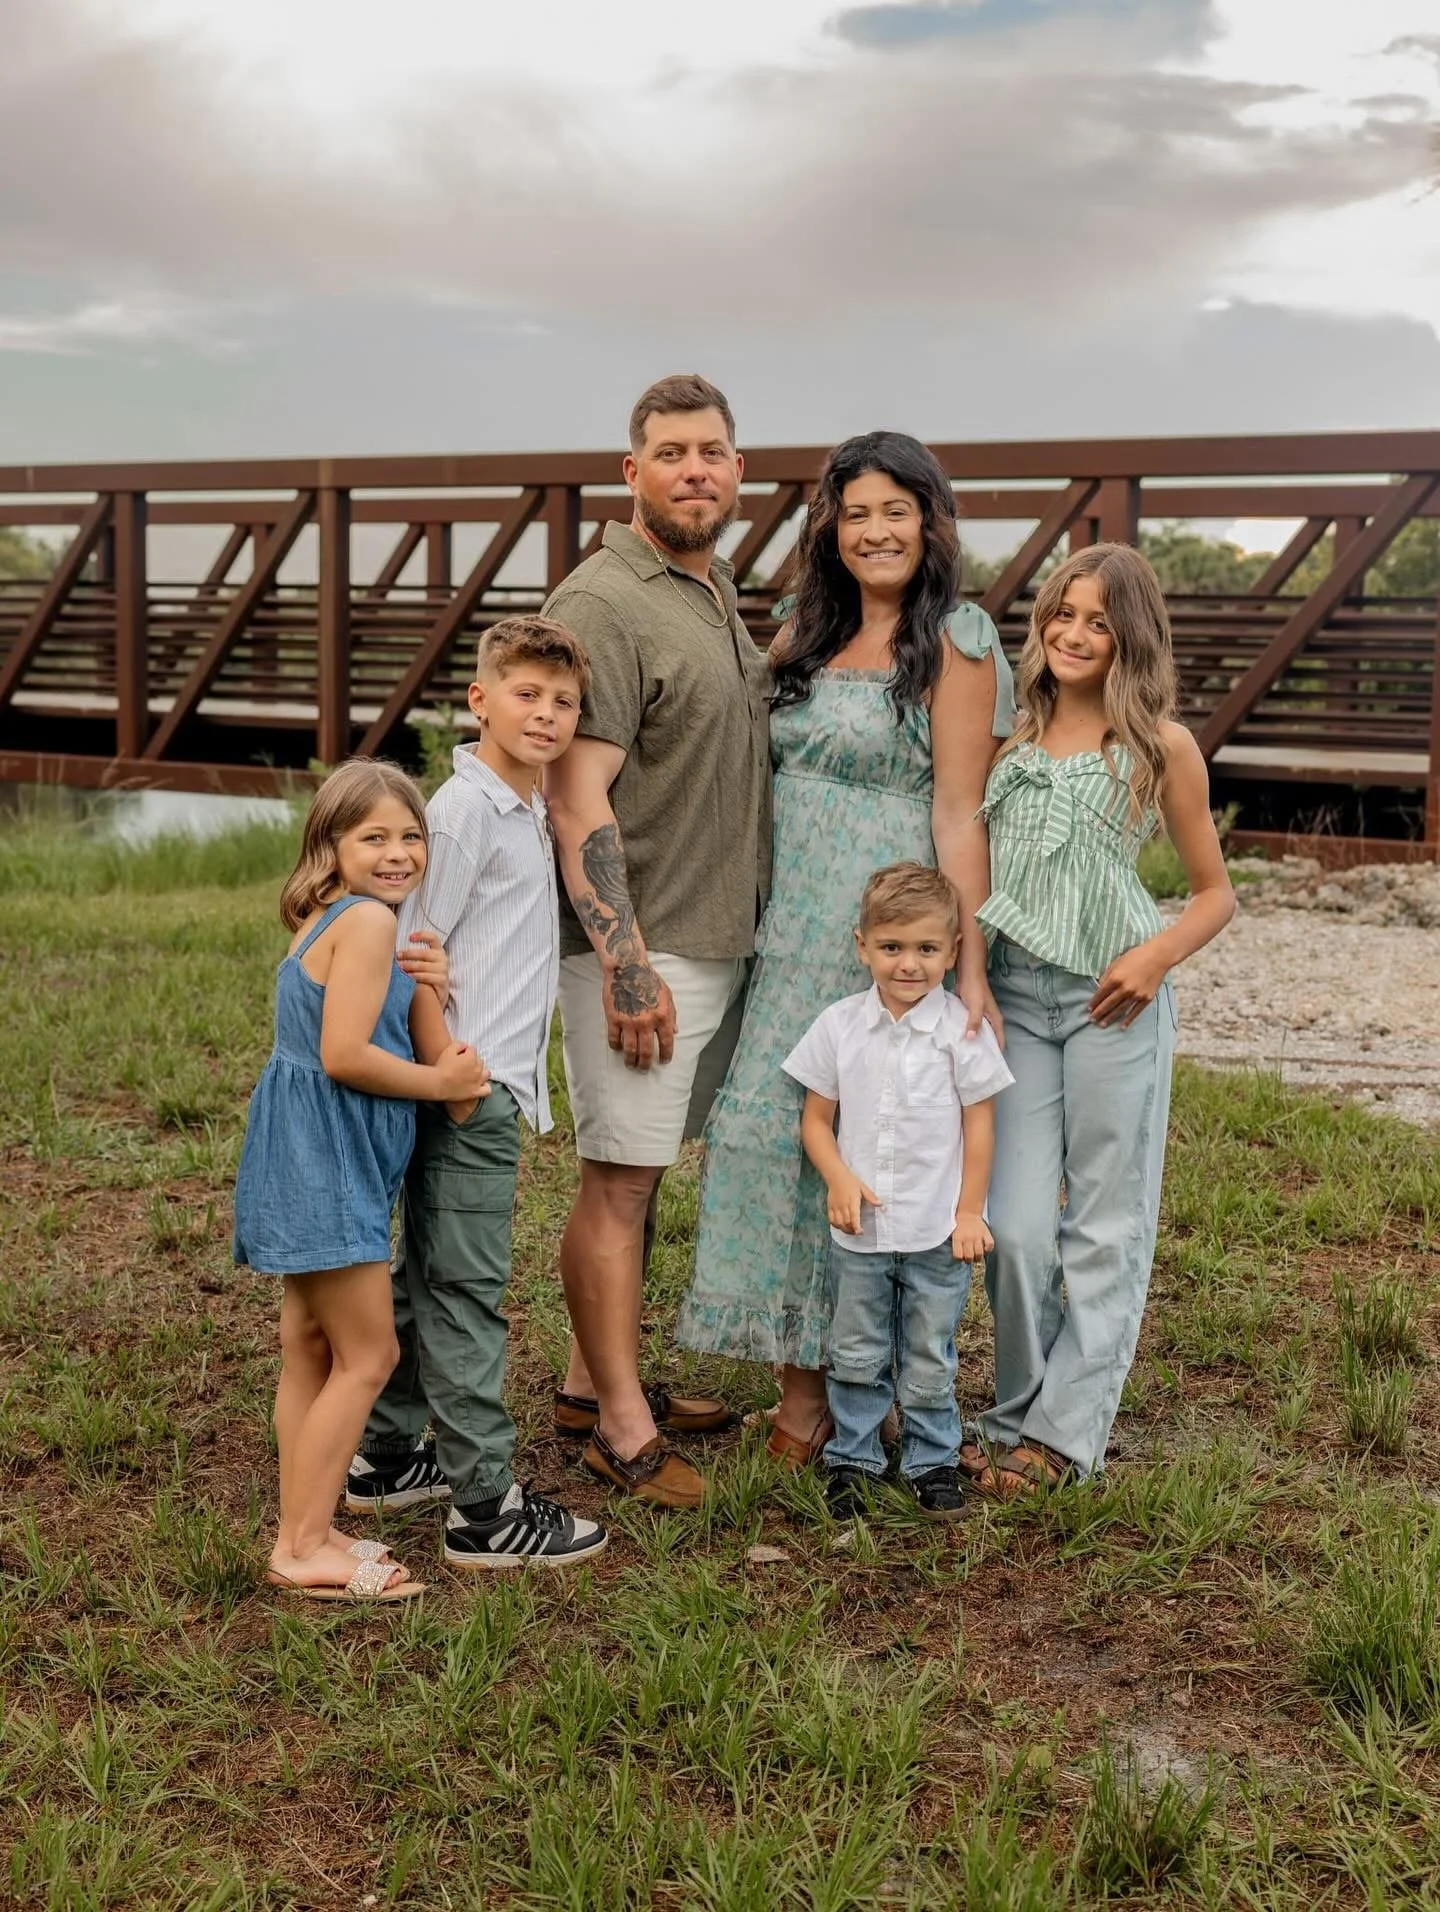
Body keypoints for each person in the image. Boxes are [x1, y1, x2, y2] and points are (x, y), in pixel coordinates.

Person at [675, 431, 1015, 1466]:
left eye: (895, 511)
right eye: (855, 513)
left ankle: (868, 1391)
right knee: (775, 1135)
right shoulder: (801, 632)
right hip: (789, 924)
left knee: (880, 1143)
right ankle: (804, 1386)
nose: (875, 532)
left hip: (887, 931)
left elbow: (960, 813)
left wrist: (970, 969)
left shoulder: (956, 640)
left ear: (932, 523)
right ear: (830, 527)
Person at [541, 373, 771, 1510]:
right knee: (618, 1186)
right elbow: (575, 797)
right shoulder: (604, 603)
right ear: (631, 472)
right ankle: (619, 1434)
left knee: (641, 1174)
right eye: (672, 453)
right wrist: (626, 964)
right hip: (647, 947)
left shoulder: (710, 587)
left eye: (712, 452)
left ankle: (591, 1383)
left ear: (738, 471)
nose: (695, 471)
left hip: (710, 934)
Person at [966, 542, 1235, 1497]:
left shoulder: (1161, 747)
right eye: (1063, 615)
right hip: (1017, 999)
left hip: (1113, 1001)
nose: (1075, 635)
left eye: (1099, 623)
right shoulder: (1011, 737)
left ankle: (1062, 1437)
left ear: (1131, 639)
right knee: (1015, 1226)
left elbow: (1215, 893)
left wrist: (1154, 957)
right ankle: (1014, 1413)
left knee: (1105, 1223)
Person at [346, 618, 609, 1568]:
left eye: (563, 702)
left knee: (428, 1276)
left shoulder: (522, 805)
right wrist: (454, 1078)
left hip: (477, 1083)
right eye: (526, 695)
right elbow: (410, 949)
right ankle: (485, 1508)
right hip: (468, 1081)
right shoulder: (462, 813)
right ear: (480, 699)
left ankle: (385, 1458)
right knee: (464, 1292)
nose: (545, 714)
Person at [234, 758, 488, 1601]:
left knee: (309, 1348)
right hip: (327, 1159)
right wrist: (441, 1082)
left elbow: (367, 1026)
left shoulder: (333, 919)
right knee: (371, 1353)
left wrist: (429, 990)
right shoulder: (370, 924)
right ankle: (303, 1546)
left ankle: (304, 1525)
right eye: (373, 837)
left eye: (412, 835)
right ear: (332, 845)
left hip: (302, 1152)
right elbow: (344, 1055)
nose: (398, 852)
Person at [783, 864, 1013, 1520]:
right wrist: (839, 1177)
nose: (909, 964)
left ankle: (932, 1460)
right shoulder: (839, 1026)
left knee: (929, 1353)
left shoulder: (961, 1032)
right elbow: (815, 1120)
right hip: (860, 1232)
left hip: (937, 1231)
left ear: (953, 951)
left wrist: (969, 1212)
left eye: (926, 948)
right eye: (891, 947)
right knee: (856, 1351)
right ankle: (854, 1459)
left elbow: (980, 1126)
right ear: (863, 946)